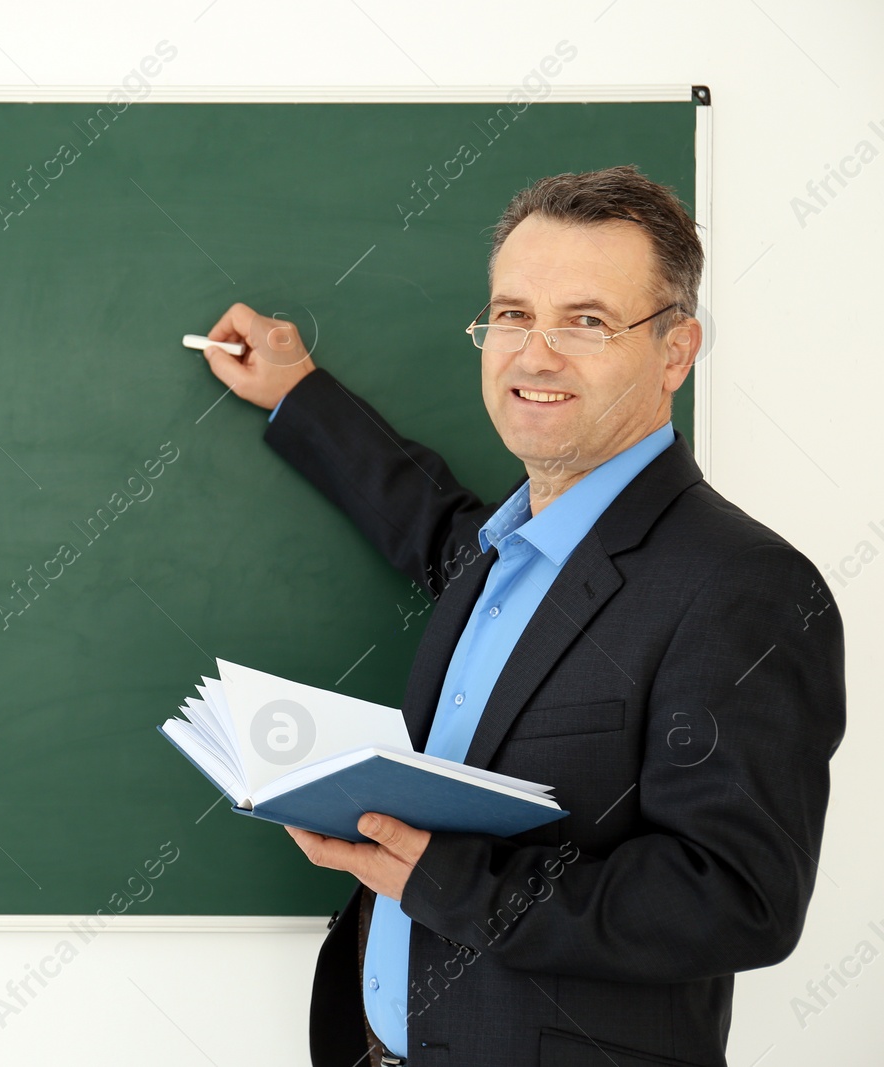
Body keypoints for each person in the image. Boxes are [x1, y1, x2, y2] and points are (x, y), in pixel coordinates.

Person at [199, 165, 845, 1066]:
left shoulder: (745, 587)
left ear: (676, 350)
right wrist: (300, 390)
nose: (535, 354)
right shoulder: (510, 548)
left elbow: (738, 898)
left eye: (586, 320)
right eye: (511, 314)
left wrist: (448, 879)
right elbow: (429, 524)